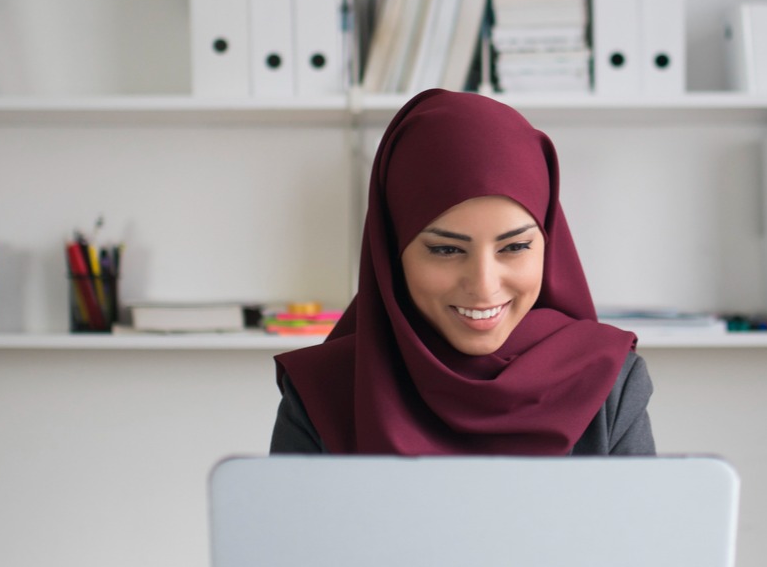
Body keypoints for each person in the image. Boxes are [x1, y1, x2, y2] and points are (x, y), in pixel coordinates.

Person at [270, 89, 654, 455]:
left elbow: (642, 525)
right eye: (446, 249)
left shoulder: (609, 380)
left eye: (515, 247)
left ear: (548, 245)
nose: (484, 286)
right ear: (391, 251)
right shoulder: (321, 393)